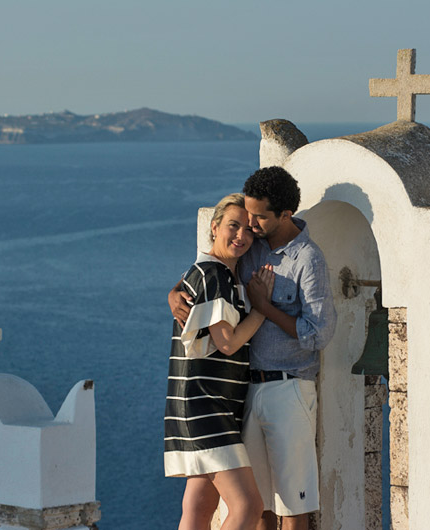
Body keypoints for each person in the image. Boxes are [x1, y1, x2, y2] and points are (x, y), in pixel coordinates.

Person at [170, 167, 336, 530]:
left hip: (289, 387)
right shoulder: (251, 247)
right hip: (245, 393)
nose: (250, 226)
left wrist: (266, 306)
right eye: (244, 219)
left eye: (258, 218)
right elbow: (210, 271)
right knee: (257, 507)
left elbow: (319, 334)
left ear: (285, 215)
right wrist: (174, 292)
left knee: (293, 504)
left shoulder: (308, 260)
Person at [165, 193, 274, 530]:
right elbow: (227, 343)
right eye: (232, 226)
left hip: (195, 404)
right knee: (247, 506)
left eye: (248, 230)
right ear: (214, 228)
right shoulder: (215, 275)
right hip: (206, 407)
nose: (241, 236)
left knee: (200, 505)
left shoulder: (213, 274)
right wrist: (261, 309)